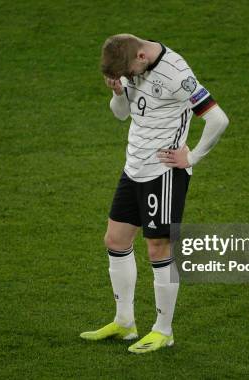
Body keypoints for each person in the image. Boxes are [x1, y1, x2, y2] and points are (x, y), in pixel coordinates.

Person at [80, 34, 230, 353]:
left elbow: (218, 118)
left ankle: (164, 330)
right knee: (116, 240)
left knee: (157, 248)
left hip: (163, 173)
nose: (129, 78)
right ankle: (124, 324)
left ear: (143, 57)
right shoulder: (128, 61)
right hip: (133, 167)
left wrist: (192, 157)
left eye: (130, 74)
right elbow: (121, 114)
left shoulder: (177, 74)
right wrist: (120, 92)